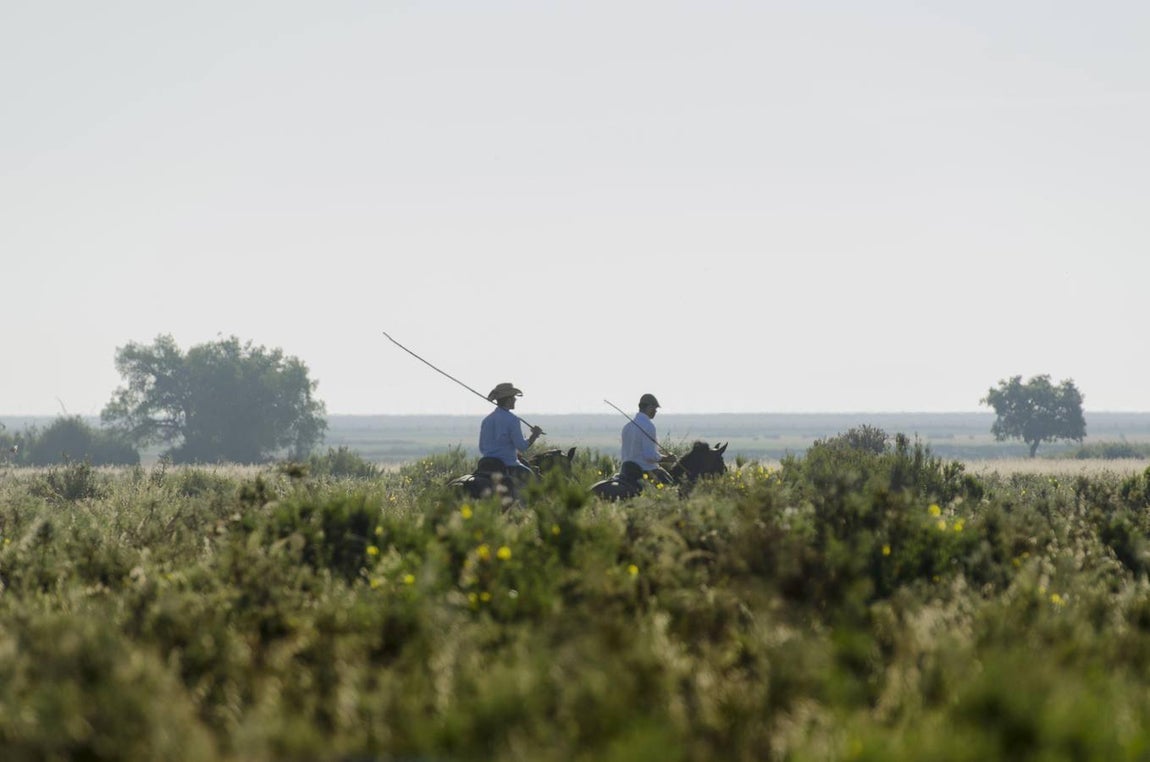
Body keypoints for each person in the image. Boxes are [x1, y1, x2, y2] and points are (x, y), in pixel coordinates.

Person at [479, 381, 543, 483]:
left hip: (486, 464)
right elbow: (522, 446)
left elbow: (482, 448)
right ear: (508, 400)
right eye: (513, 397)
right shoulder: (513, 420)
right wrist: (534, 435)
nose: (515, 399)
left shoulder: (486, 420)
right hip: (508, 465)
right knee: (533, 481)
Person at [620, 393, 673, 485]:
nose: (656, 411)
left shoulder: (627, 427)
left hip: (625, 471)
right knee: (672, 486)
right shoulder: (649, 426)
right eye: (655, 408)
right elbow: (649, 456)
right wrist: (667, 459)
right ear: (649, 407)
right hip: (644, 470)